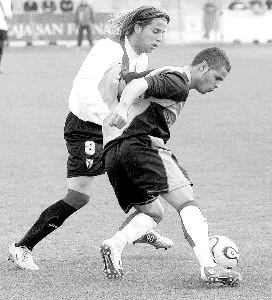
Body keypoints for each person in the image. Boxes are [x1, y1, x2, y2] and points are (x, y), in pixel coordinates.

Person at [8, 5, 173, 271]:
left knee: (147, 197)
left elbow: (129, 95)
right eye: (156, 31)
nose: (160, 39)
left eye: (163, 33)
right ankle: (22, 247)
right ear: (137, 27)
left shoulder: (140, 60)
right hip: (86, 127)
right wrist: (107, 115)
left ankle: (136, 231)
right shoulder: (107, 50)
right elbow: (84, 85)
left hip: (115, 130)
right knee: (78, 196)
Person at [100, 47, 242, 286]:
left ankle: (114, 245)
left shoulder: (165, 73)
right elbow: (137, 87)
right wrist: (123, 108)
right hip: (141, 145)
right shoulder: (178, 81)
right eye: (217, 77)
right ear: (203, 67)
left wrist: (120, 77)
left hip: (113, 153)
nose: (217, 85)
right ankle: (209, 268)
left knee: (153, 212)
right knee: (187, 203)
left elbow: (128, 81)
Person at [0, 0, 12, 73]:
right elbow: (9, 15)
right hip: (2, 27)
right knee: (0, 49)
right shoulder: (7, 1)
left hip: (2, 27)